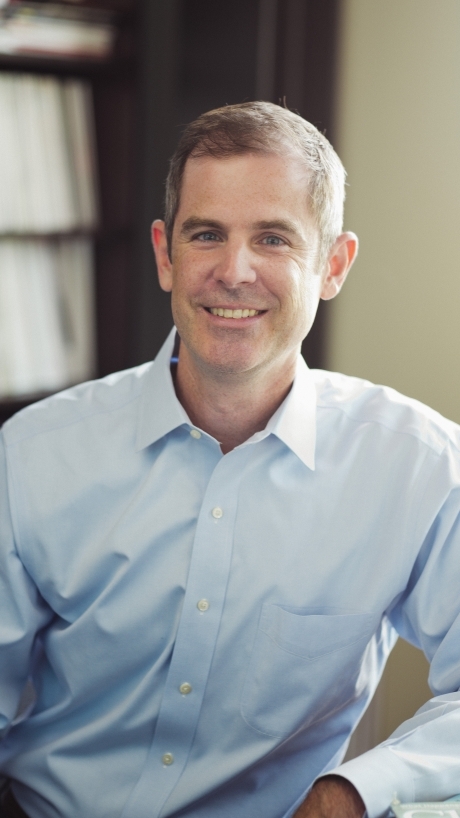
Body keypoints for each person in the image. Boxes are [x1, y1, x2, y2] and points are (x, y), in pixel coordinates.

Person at [1, 101, 460, 818]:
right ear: (165, 254)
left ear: (333, 265)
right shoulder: (33, 455)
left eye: (274, 239)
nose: (233, 271)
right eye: (206, 234)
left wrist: (356, 790)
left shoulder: (419, 467)